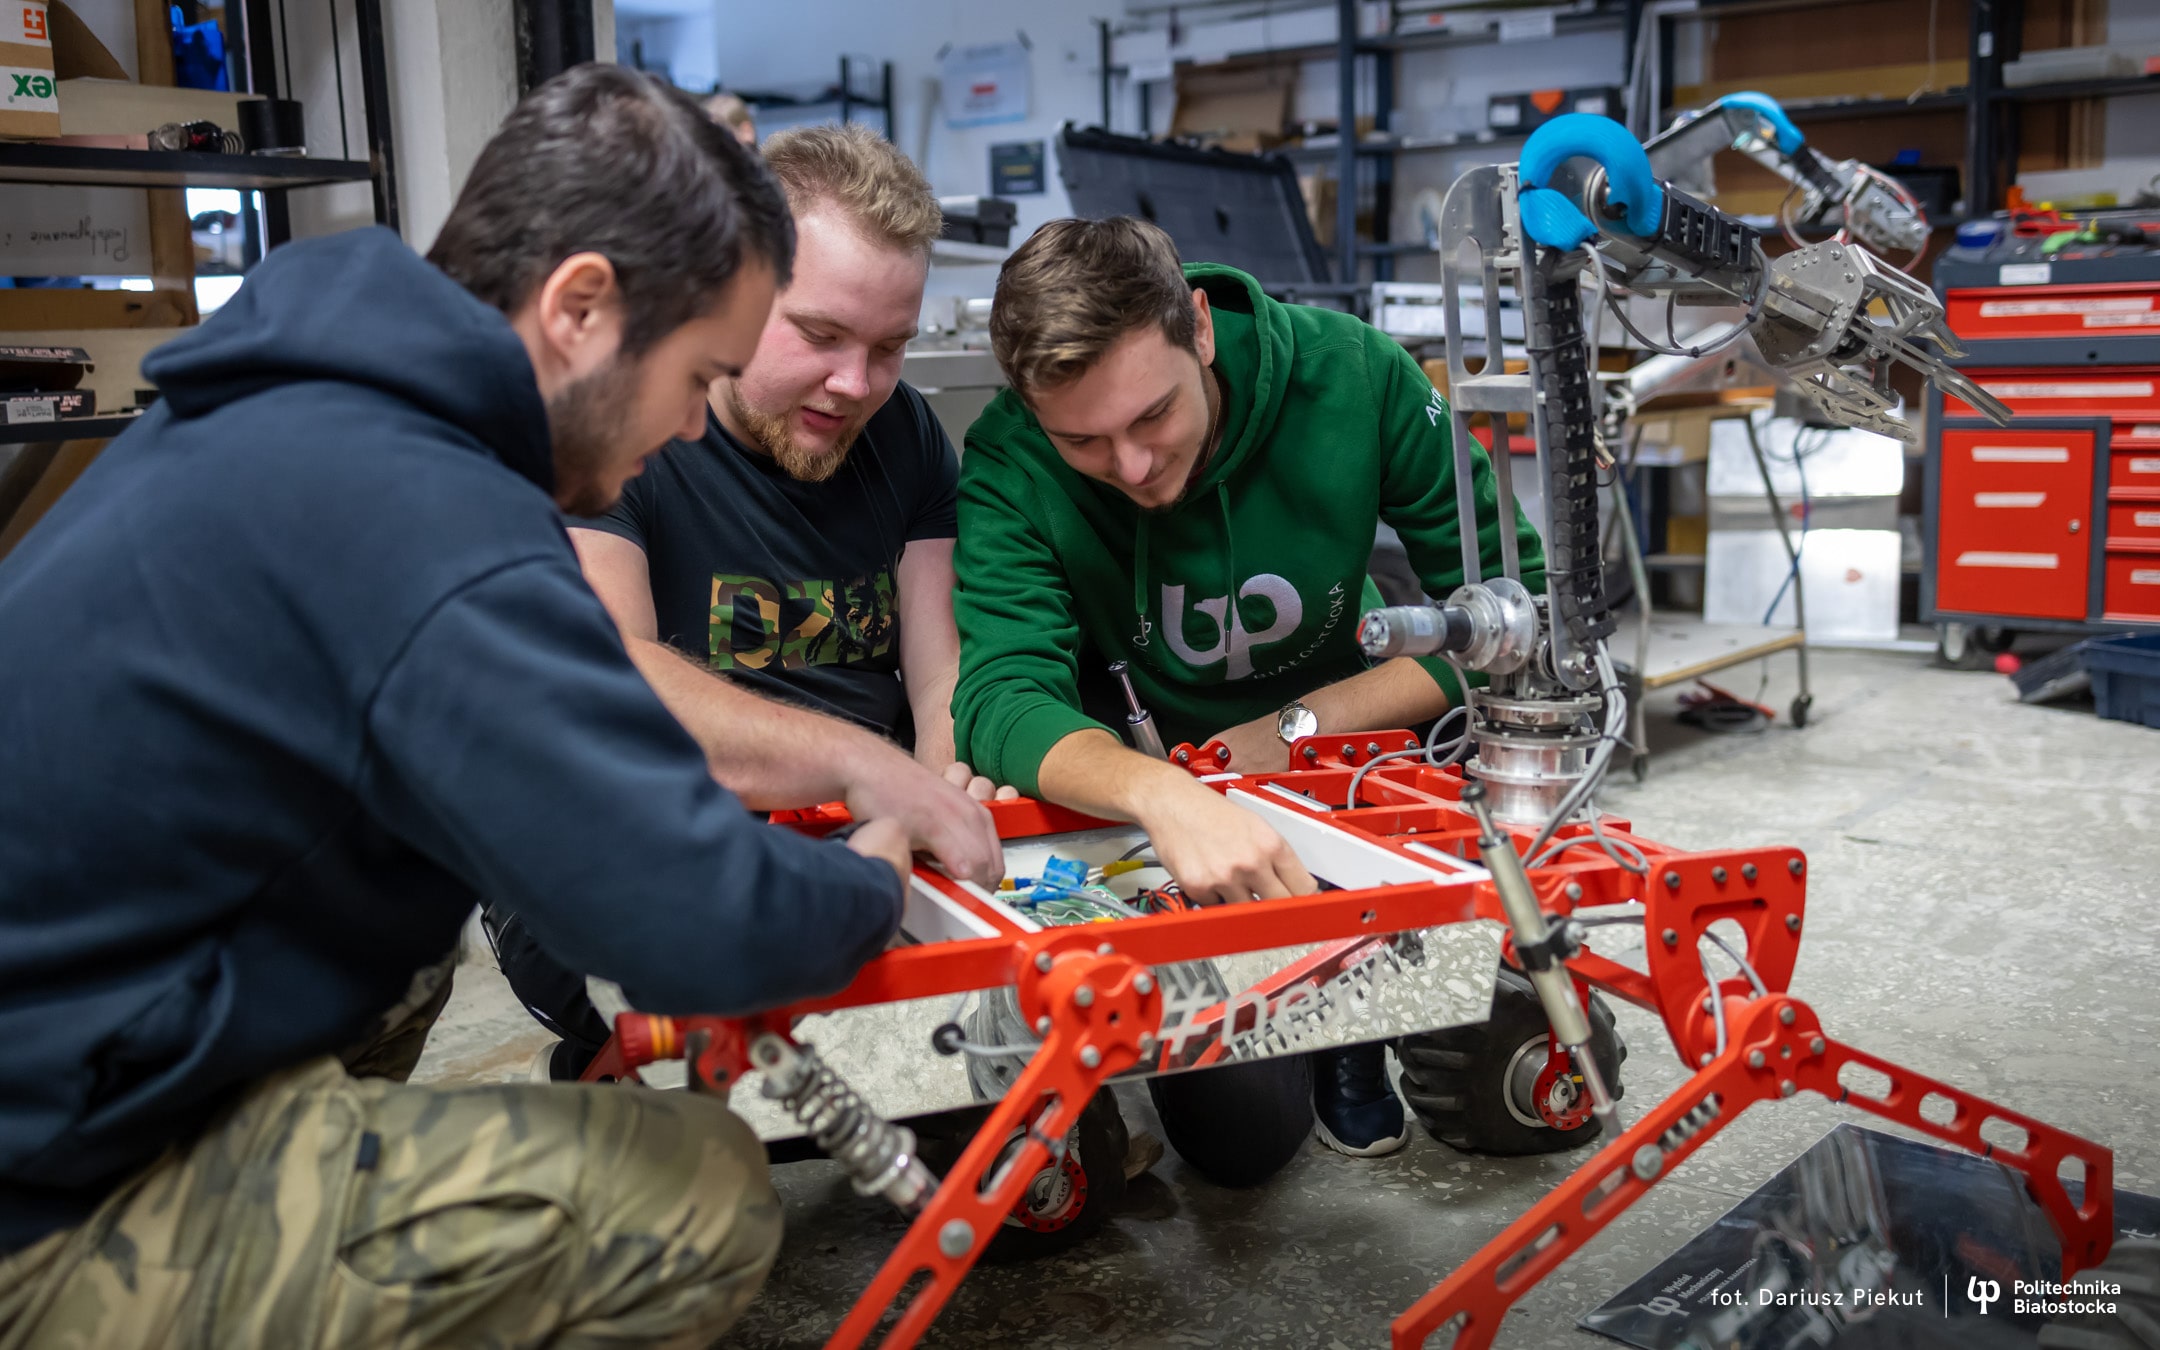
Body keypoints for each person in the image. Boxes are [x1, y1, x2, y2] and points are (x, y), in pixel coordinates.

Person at [0, 66, 908, 1349]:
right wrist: (875, 886)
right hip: (41, 1201)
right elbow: (693, 926)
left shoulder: (300, 397)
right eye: (700, 375)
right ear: (581, 306)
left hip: (68, 1046)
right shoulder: (424, 516)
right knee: (696, 1193)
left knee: (410, 921)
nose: (698, 430)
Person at [951, 216, 1545, 1171]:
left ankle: (1353, 1030)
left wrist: (1301, 725)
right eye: (1085, 442)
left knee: (1425, 964)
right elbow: (997, 700)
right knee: (1239, 1147)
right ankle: (1304, 1020)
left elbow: (1525, 612)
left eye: (1153, 417)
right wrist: (1166, 794)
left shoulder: (1355, 376)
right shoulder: (1007, 461)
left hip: (1343, 767)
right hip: (1161, 810)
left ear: (1200, 326)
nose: (1134, 469)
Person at [495, 121, 1012, 1083]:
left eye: (889, 347)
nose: (854, 385)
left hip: (854, 835)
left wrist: (938, 794)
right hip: (641, 834)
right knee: (764, 1091)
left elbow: (938, 666)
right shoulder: (628, 416)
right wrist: (866, 769)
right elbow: (618, 690)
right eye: (819, 335)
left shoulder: (906, 435)